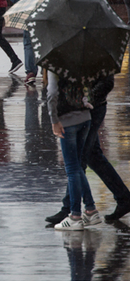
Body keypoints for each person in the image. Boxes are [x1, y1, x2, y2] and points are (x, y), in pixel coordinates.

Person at [46, 75, 130, 224]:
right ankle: (123, 198)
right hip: (85, 108)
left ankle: (72, 209)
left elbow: (107, 82)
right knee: (92, 156)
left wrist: (86, 99)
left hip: (91, 108)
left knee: (79, 160)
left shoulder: (97, 55)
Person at [47, 72, 100, 230]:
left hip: (67, 121)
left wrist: (54, 119)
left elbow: (52, 93)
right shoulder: (80, 61)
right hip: (85, 118)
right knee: (76, 167)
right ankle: (90, 210)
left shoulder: (55, 62)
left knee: (72, 169)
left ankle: (75, 216)